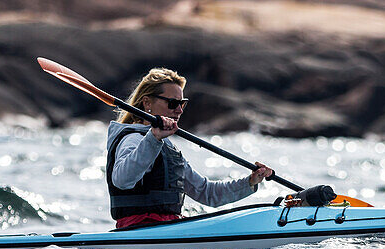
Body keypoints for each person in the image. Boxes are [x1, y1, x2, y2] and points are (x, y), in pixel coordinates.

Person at [106, 68, 273, 229]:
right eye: (172, 103)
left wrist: (250, 182)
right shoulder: (132, 139)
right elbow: (121, 180)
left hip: (167, 228)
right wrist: (154, 138)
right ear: (147, 102)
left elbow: (207, 193)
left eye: (182, 104)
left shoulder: (168, 147)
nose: (179, 110)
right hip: (139, 231)